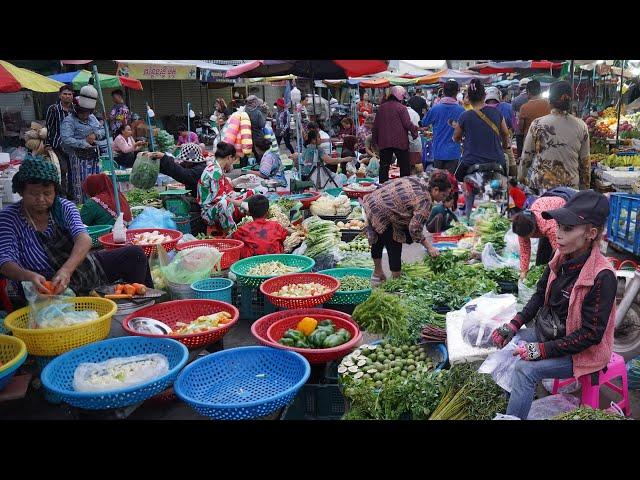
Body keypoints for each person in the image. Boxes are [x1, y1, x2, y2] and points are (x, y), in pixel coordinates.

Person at [491, 190, 616, 420]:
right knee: (508, 348)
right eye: (558, 226)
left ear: (591, 233)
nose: (558, 234)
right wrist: (514, 324)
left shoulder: (602, 276)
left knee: (525, 370)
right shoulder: (560, 258)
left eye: (567, 229)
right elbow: (539, 295)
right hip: (551, 332)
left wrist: (540, 350)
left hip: (581, 351)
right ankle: (512, 404)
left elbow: (590, 335)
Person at [0, 156, 152, 303]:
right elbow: (5, 261)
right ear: (21, 192)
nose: (40, 199)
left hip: (82, 270)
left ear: (55, 191)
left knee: (135, 254)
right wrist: (28, 276)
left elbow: (83, 238)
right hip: (43, 287)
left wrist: (66, 270)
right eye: (33, 193)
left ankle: (142, 308)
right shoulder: (9, 217)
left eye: (47, 193)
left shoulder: (64, 207)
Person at [363, 172, 451, 284]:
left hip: (373, 201)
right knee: (394, 243)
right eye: (443, 195)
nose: (443, 199)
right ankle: (396, 281)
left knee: (379, 240)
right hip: (384, 211)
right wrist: (430, 248)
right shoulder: (425, 200)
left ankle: (378, 273)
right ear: (436, 189)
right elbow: (414, 228)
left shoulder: (420, 180)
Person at [453, 79, 511, 218]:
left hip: (471, 163)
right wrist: (504, 145)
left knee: (457, 178)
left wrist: (461, 139)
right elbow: (505, 134)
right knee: (506, 181)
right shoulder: (496, 113)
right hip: (497, 162)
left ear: (468, 98)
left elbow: (456, 137)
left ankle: (467, 215)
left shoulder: (465, 116)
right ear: (484, 95)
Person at [520, 81, 590, 193]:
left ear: (549, 101)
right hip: (570, 189)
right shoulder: (581, 126)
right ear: (570, 101)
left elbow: (526, 157)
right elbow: (585, 163)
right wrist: (584, 189)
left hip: (541, 187)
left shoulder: (537, 124)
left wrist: (521, 178)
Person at [60, 85, 104, 204]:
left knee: (94, 181)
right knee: (81, 183)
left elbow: (102, 130)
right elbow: (66, 138)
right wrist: (83, 142)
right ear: (76, 111)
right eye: (82, 113)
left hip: (93, 156)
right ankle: (82, 205)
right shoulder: (69, 121)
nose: (85, 115)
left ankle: (96, 203)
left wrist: (95, 135)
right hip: (78, 157)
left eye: (88, 113)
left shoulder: (91, 118)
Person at [197, 141, 254, 234]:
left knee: (251, 194)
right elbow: (220, 199)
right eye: (233, 160)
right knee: (224, 203)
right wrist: (241, 204)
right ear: (229, 157)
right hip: (208, 212)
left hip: (217, 205)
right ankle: (231, 233)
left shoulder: (217, 168)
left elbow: (225, 188)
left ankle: (246, 221)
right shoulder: (215, 171)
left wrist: (240, 180)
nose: (232, 163)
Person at [511, 195, 567, 278]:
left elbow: (558, 250)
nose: (525, 238)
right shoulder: (522, 225)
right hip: (544, 207)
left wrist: (555, 270)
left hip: (562, 209)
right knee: (541, 257)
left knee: (555, 256)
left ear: (533, 230)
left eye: (527, 236)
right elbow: (525, 250)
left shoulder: (548, 226)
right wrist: (523, 271)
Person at [372, 86, 419, 183]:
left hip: (384, 142)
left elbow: (375, 125)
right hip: (400, 142)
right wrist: (415, 131)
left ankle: (382, 187)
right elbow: (407, 123)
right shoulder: (401, 108)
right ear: (400, 96)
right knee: (404, 167)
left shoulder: (381, 108)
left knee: (384, 167)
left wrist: (375, 141)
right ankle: (404, 186)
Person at [420, 80, 465, 174]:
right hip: (454, 153)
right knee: (451, 183)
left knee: (438, 182)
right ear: (457, 92)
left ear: (443, 92)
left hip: (438, 152)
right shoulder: (461, 110)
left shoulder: (435, 108)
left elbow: (424, 123)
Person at [45, 85, 74, 199]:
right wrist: (48, 144)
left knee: (73, 171)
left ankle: (72, 196)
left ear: (73, 96)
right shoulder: (53, 109)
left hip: (73, 146)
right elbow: (49, 127)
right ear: (60, 95)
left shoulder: (75, 109)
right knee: (62, 170)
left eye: (70, 94)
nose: (67, 96)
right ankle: (61, 197)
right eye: (65, 94)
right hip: (58, 145)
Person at [512, 77, 531, 157]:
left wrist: (515, 129)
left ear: (520, 88)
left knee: (520, 153)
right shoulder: (533, 98)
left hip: (519, 131)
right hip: (531, 130)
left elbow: (513, 116)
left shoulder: (516, 100)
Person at [406, 102, 423, 174]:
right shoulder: (415, 113)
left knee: (408, 166)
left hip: (407, 141)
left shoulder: (402, 112)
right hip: (416, 141)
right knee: (416, 166)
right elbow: (418, 127)